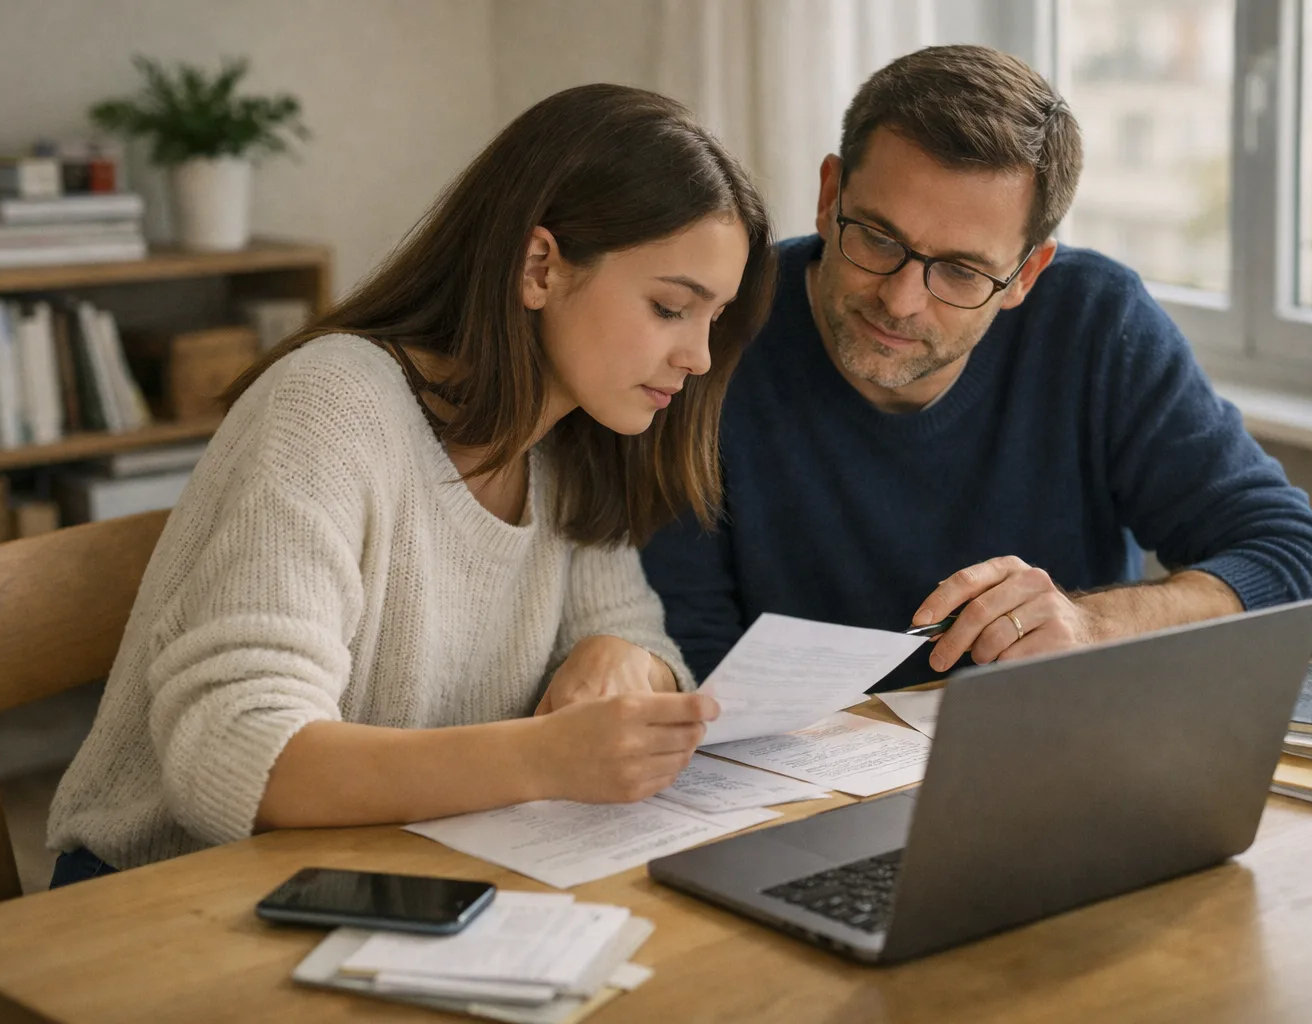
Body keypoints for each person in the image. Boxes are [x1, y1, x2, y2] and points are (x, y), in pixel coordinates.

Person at [46, 84, 776, 885]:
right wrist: (544, 757)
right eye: (672, 307)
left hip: (383, 874)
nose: (700, 357)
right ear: (540, 268)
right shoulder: (330, 405)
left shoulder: (570, 441)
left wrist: (620, 653)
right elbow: (236, 752)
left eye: (714, 318)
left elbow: (640, 634)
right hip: (168, 896)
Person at [642, 45, 1312, 693]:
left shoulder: (1096, 323)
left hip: (1046, 774)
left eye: (959, 270)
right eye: (880, 238)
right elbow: (690, 652)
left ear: (1025, 274)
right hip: (791, 790)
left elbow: (1305, 572)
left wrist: (1093, 623)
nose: (900, 299)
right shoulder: (711, 329)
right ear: (830, 197)